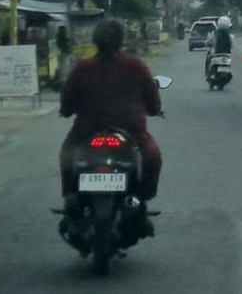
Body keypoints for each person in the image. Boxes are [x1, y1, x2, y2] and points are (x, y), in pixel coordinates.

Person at [58, 19, 164, 223]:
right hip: (131, 134)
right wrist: (155, 110)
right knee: (152, 157)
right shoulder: (136, 66)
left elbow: (68, 103)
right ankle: (139, 198)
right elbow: (152, 102)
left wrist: (65, 110)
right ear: (121, 40)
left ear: (96, 41)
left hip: (86, 133)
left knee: (66, 155)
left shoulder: (83, 68)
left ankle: (71, 196)